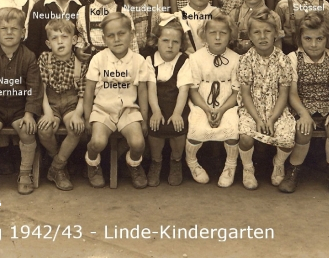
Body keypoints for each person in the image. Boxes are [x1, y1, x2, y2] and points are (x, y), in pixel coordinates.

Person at [83, 13, 156, 189]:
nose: (116, 39)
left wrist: (144, 119)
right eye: (110, 35)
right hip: (103, 110)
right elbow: (89, 90)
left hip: (128, 111)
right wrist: (87, 117)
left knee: (138, 143)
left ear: (131, 34)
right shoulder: (98, 59)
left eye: (121, 34)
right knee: (97, 142)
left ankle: (133, 164)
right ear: (104, 39)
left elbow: (142, 91)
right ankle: (92, 163)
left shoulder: (139, 61)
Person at [0, 8, 42, 195]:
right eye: (4, 29)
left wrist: (29, 114)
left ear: (23, 32)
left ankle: (25, 173)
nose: (9, 32)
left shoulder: (28, 57)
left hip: (20, 109)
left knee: (27, 131)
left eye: (14, 28)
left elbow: (34, 88)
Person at [281, 13, 329, 195]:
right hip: (301, 106)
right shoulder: (293, 58)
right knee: (303, 129)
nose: (313, 44)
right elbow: (292, 93)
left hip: (327, 106)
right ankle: (294, 169)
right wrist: (303, 113)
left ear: (327, 38)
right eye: (308, 39)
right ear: (300, 38)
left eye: (319, 39)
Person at [236, 7, 296, 190]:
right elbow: (245, 94)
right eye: (257, 32)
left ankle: (278, 164)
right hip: (252, 108)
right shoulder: (245, 60)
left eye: (267, 31)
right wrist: (257, 119)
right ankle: (248, 168)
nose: (262, 36)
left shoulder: (283, 60)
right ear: (250, 36)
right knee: (245, 136)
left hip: (276, 108)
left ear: (276, 34)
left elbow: (283, 94)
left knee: (287, 139)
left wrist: (271, 118)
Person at [179, 15, 241, 187]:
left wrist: (221, 110)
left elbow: (236, 92)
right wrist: (207, 110)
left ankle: (230, 166)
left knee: (233, 126)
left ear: (230, 35)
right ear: (204, 35)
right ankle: (192, 162)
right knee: (197, 127)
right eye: (212, 33)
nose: (218, 37)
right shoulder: (195, 58)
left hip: (228, 103)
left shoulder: (236, 59)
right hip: (202, 102)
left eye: (223, 33)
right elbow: (193, 90)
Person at [36, 19, 86, 191]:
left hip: (72, 104)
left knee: (76, 128)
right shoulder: (45, 58)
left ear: (74, 40)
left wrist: (78, 115)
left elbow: (83, 94)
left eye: (64, 37)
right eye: (55, 38)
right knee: (44, 129)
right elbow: (41, 90)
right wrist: (47, 113)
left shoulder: (80, 62)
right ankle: (59, 160)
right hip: (50, 103)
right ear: (48, 43)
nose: (60, 41)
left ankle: (56, 167)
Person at [146, 18, 190, 187]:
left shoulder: (184, 60)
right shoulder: (150, 60)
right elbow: (151, 89)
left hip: (177, 104)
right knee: (154, 126)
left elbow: (184, 90)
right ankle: (156, 161)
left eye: (175, 42)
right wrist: (156, 111)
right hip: (156, 103)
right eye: (165, 41)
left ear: (181, 44)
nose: (170, 46)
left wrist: (177, 113)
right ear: (156, 41)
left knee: (178, 127)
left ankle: (176, 160)